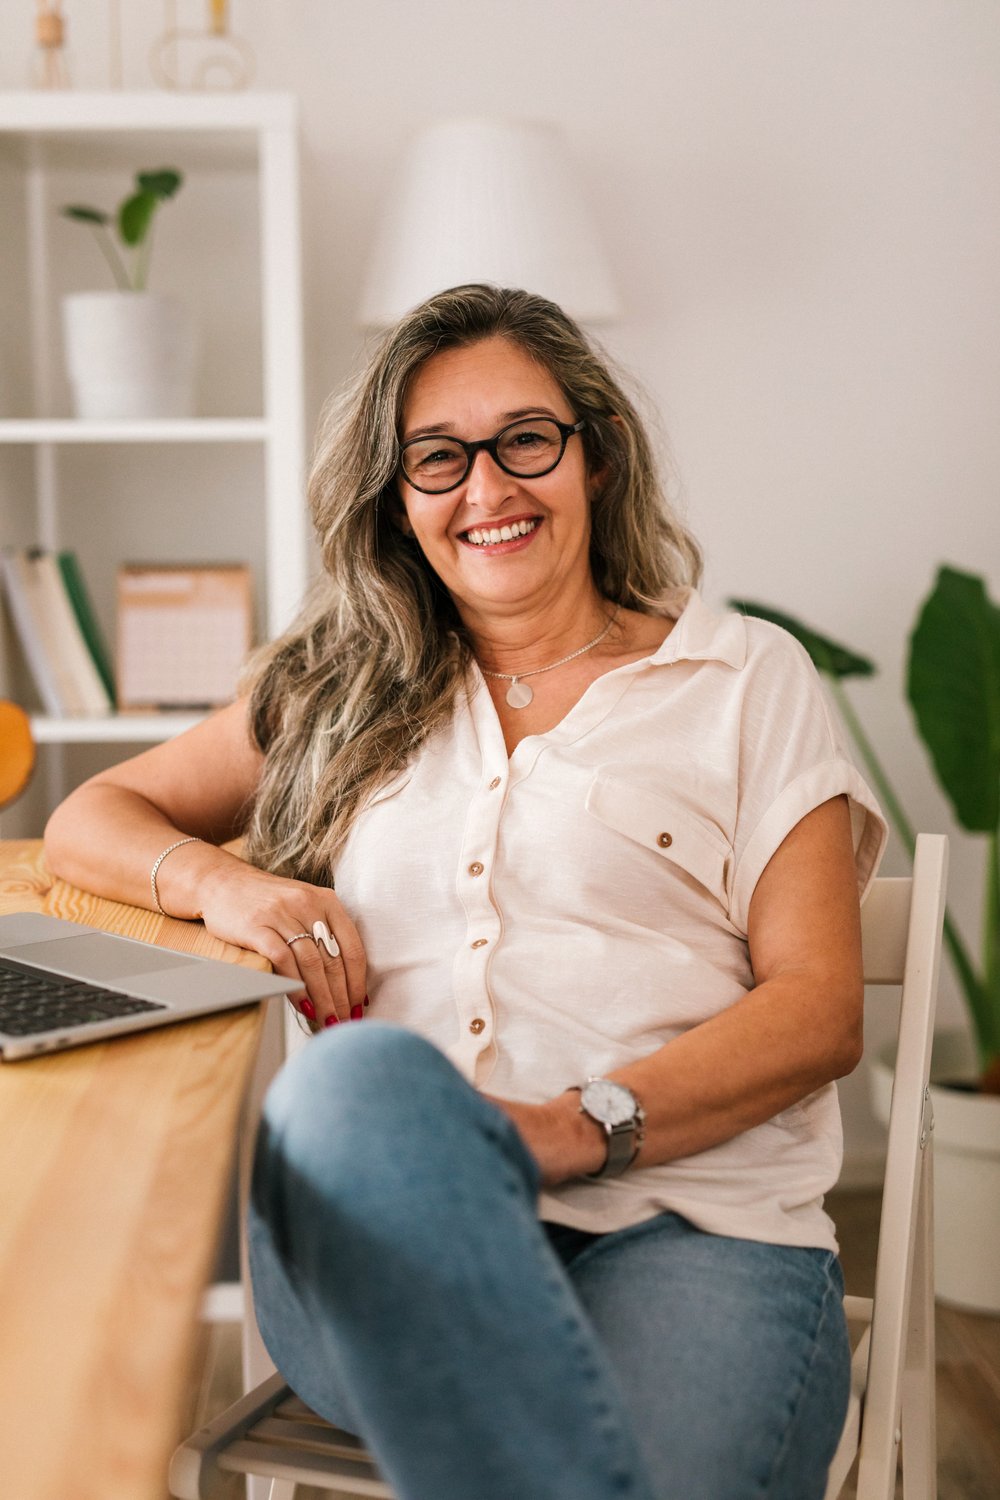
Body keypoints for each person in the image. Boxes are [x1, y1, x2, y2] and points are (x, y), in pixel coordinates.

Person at [45, 283, 887, 1500]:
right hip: (386, 1223)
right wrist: (223, 887)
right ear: (399, 501)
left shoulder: (743, 675)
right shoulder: (339, 688)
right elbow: (92, 818)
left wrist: (567, 1127)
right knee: (353, 1081)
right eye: (437, 460)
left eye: (524, 442)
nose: (485, 490)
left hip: (695, 1228)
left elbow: (819, 1009)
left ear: (593, 456)